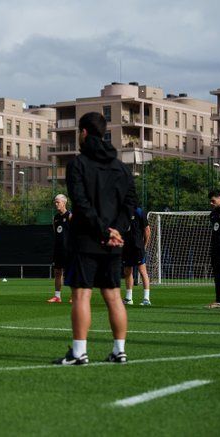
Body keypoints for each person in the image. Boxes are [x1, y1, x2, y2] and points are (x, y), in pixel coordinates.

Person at [54, 112, 136, 365]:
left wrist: (104, 231)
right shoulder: (122, 168)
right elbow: (130, 204)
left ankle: (79, 353)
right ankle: (119, 350)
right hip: (113, 243)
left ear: (84, 133)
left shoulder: (77, 165)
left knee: (81, 295)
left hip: (86, 239)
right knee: (113, 294)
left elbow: (81, 202)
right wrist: (116, 231)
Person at [122, 206, 151, 306]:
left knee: (142, 271)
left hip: (138, 247)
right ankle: (129, 298)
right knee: (127, 271)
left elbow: (147, 230)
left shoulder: (139, 212)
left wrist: (144, 245)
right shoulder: (122, 211)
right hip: (126, 247)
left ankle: (146, 298)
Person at [47, 194, 72, 303]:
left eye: (58, 202)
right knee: (57, 272)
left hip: (69, 249)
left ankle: (74, 296)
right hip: (58, 249)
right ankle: (57, 296)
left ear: (64, 203)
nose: (56, 204)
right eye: (55, 202)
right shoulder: (55, 218)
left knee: (71, 272)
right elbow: (55, 232)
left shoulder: (70, 216)